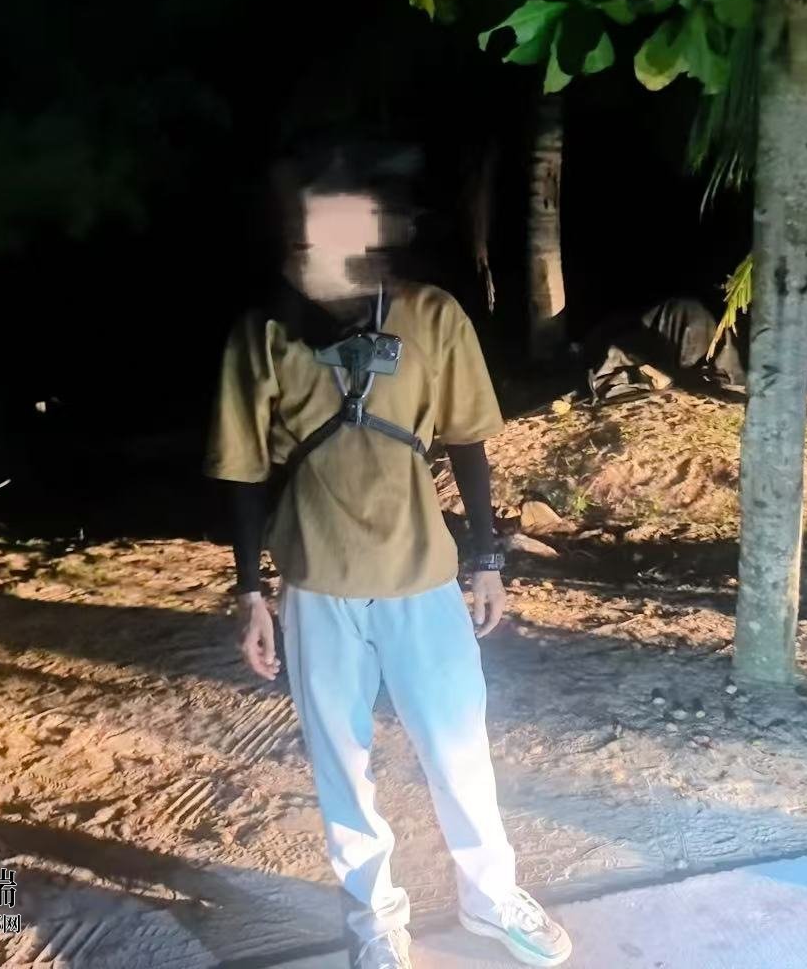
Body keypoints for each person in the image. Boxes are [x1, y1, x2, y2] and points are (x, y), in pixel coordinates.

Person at [204, 143, 572, 969]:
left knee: (458, 748)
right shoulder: (263, 335)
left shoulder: (431, 316)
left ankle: (489, 898)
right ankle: (373, 917)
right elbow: (242, 472)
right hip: (316, 583)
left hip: (421, 576)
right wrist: (251, 593)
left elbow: (469, 440)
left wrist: (487, 559)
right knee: (342, 765)